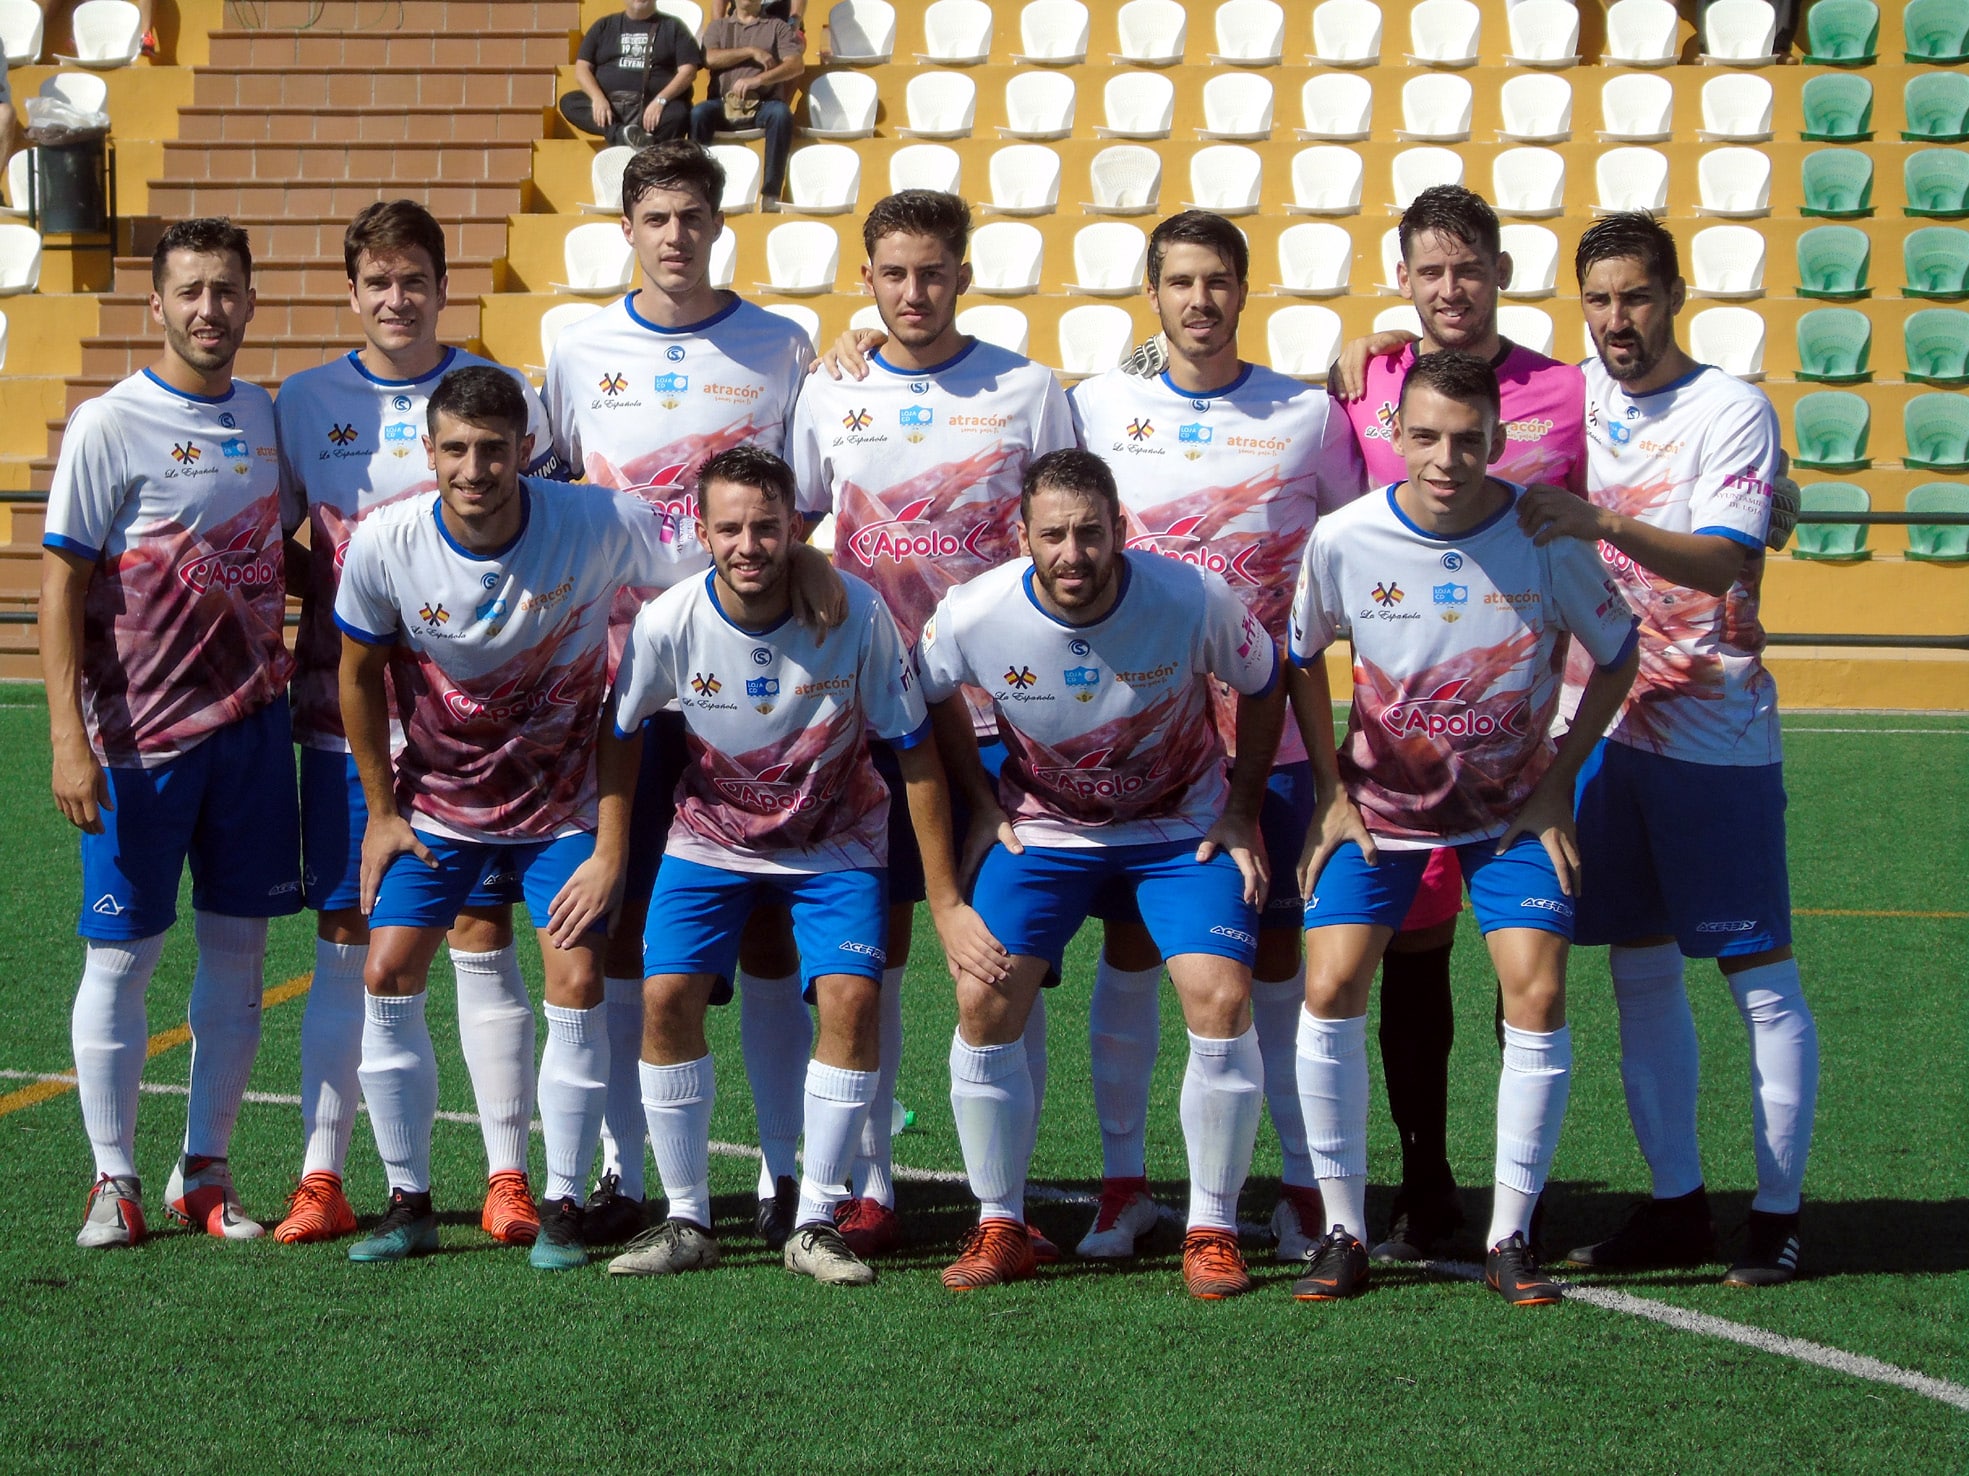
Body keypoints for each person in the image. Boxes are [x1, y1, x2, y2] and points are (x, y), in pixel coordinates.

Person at [1285, 350, 1639, 1308]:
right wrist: (1329, 789)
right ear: (1394, 434)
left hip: (1507, 816)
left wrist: (1557, 783)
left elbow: (1618, 654)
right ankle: (1344, 1229)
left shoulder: (1546, 537)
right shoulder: (1344, 538)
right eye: (1428, 436)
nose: (1447, 458)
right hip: (1380, 811)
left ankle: (1510, 1236)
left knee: (1535, 989)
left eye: (1469, 440)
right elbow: (1300, 657)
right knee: (1330, 986)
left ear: (1498, 440)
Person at [606, 446, 996, 1284]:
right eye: (731, 528)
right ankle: (685, 1218)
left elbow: (914, 752)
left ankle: (816, 1216)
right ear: (702, 533)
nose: (749, 545)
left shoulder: (853, 612)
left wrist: (942, 897)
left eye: (767, 527)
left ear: (795, 529)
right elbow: (623, 732)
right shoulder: (669, 618)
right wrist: (609, 849)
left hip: (838, 844)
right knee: (665, 996)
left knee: (853, 1004)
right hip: (709, 839)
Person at [1063, 208, 1365, 1265]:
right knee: (1133, 947)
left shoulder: (1307, 419)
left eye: (1217, 282)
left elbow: (1355, 551)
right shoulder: (1095, 406)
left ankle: (1289, 1189)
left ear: (1245, 291)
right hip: (1137, 746)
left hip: (1270, 744)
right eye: (1180, 282)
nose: (1200, 301)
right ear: (1153, 293)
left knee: (1272, 958)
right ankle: (1119, 1186)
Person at [544, 139, 832, 1249]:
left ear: (721, 225)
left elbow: (804, 495)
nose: (675, 236)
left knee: (763, 927)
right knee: (620, 933)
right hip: (618, 686)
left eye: (693, 218)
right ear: (626, 228)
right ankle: (629, 1166)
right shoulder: (575, 350)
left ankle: (779, 1175)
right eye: (655, 218)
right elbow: (561, 489)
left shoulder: (780, 346)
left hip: (752, 688)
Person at [1522, 214, 1819, 1288]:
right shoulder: (1574, 400)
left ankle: (1776, 1215)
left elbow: (1720, 559)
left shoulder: (1729, 410)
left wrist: (1599, 520)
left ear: (1676, 295)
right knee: (1636, 972)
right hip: (1600, 729)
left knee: (1758, 978)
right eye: (1597, 300)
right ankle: (1677, 1204)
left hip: (1712, 731)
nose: (1616, 322)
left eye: (1636, 297)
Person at [332, 366, 682, 1270]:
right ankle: (407, 1200)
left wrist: (610, 844)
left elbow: (708, 572)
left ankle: (562, 1204)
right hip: (438, 812)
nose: (475, 467)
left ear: (527, 450)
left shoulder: (600, 520)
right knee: (387, 969)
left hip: (562, 813)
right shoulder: (385, 543)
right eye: (456, 449)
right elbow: (356, 677)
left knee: (574, 984)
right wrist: (378, 812)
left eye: (494, 449)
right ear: (430, 453)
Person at [918, 448, 1285, 1300]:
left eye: (1090, 534)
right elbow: (929, 694)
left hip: (1179, 828)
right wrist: (979, 801)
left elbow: (1265, 681)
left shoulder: (1190, 597)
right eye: (1052, 536)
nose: (1072, 554)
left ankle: (1212, 1228)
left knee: (1221, 997)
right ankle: (1001, 1222)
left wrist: (1240, 808)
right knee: (982, 996)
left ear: (1121, 530)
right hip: (1042, 832)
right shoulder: (973, 613)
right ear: (1020, 537)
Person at [787, 188, 1075, 1260]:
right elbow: (799, 528)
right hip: (859, 717)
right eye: (894, 274)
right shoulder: (830, 388)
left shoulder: (1028, 390)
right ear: (867, 280)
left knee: (1001, 954)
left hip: (1003, 721)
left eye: (934, 271)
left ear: (964, 272)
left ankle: (1010, 1187)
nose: (915, 292)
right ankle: (871, 1185)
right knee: (879, 950)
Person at [270, 200, 563, 1248]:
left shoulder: (498, 392)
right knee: (352, 942)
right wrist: (356, 611)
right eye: (376, 282)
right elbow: (276, 545)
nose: (397, 300)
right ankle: (324, 1175)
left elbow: (552, 527)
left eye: (415, 280)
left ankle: (506, 1177)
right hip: (342, 725)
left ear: (446, 285)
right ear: (350, 291)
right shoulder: (302, 402)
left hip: (480, 737)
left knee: (483, 939)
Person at [1326, 185, 1589, 1262]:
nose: (1449, 289)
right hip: (1405, 742)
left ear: (1500, 273)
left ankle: (1512, 1193)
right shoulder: (1367, 382)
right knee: (1415, 954)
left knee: (1527, 954)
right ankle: (1424, 1177)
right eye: (1428, 271)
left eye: (1467, 268)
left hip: (1533, 723)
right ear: (1403, 279)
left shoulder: (1567, 394)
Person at [43, 217, 301, 1248]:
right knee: (122, 958)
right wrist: (67, 734)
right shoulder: (109, 424)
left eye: (226, 290)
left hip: (250, 734)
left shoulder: (265, 417)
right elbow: (61, 582)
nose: (209, 309)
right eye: (189, 291)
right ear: (156, 305)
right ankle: (115, 1179)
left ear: (249, 300)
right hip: (137, 742)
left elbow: (281, 553)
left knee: (237, 958)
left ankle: (207, 1168)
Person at [690, 0, 803, 210]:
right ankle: (696, 188)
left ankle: (771, 193)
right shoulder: (719, 26)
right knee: (698, 113)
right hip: (723, 104)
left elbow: (796, 65)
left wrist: (759, 80)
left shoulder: (777, 26)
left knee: (781, 114)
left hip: (763, 104)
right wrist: (751, 51)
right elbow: (709, 58)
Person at [562, 0, 703, 147]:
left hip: (653, 107)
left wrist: (661, 100)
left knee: (678, 114)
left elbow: (688, 71)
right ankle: (623, 135)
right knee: (570, 102)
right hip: (611, 106)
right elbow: (582, 68)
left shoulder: (673, 27)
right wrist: (598, 98)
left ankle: (647, 149)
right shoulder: (603, 26)